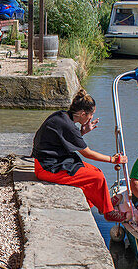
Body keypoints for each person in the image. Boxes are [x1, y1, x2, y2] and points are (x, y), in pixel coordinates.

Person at [32, 89, 129, 223]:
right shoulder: (68, 125)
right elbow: (87, 153)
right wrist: (113, 159)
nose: (91, 118)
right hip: (47, 169)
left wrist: (82, 132)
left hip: (50, 162)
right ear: (83, 114)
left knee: (95, 171)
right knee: (97, 177)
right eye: (90, 115)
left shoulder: (61, 116)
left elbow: (65, 138)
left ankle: (104, 204)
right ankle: (108, 212)